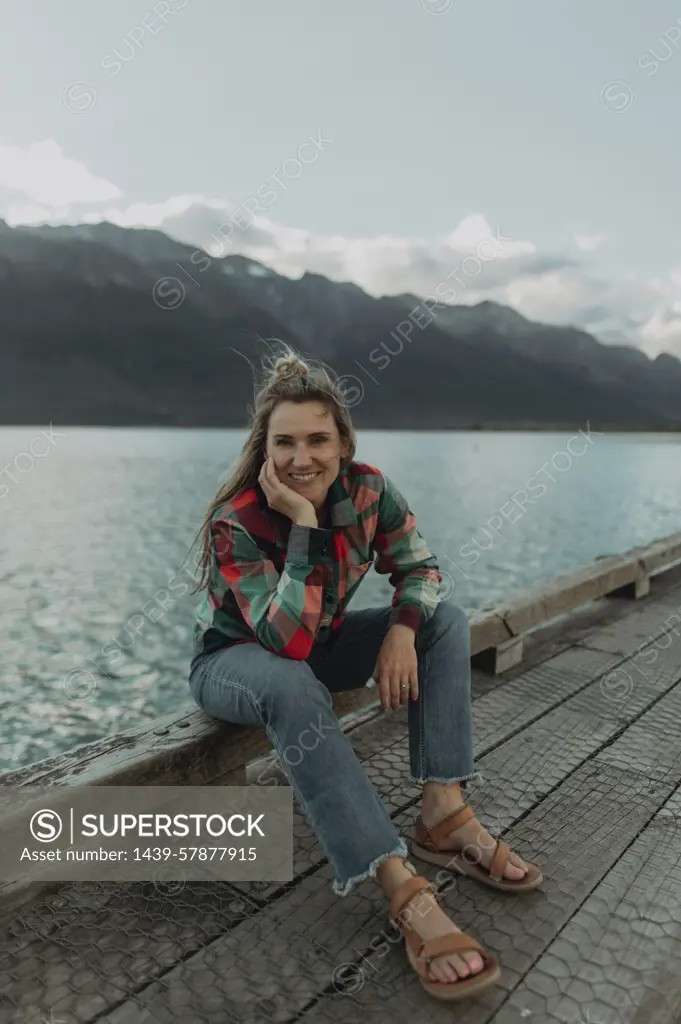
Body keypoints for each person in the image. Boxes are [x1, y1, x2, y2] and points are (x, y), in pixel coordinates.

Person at [186, 344, 542, 1002]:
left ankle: (442, 813)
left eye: (318, 439)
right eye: (284, 443)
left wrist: (403, 630)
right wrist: (300, 527)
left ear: (343, 442)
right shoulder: (237, 521)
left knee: (444, 620)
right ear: (265, 451)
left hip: (315, 643)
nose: (302, 459)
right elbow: (285, 644)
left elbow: (422, 570)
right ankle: (398, 882)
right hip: (236, 662)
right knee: (295, 681)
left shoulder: (369, 489)